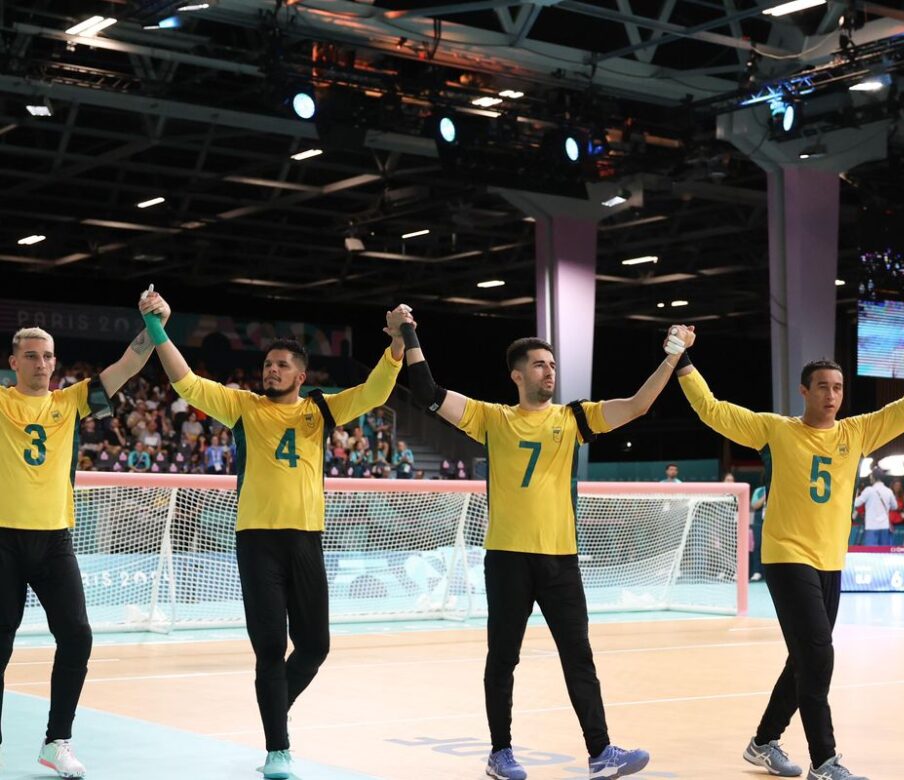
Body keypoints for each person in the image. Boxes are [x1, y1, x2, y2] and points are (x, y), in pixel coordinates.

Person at [399, 310, 683, 780]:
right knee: (503, 658)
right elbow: (427, 393)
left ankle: (601, 753)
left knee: (579, 657)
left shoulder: (574, 418)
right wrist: (409, 332)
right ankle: (500, 752)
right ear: (516, 374)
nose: (548, 370)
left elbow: (636, 405)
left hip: (560, 561)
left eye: (552, 364)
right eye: (538, 364)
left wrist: (673, 356)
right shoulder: (492, 418)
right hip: (508, 558)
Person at [140, 290, 406, 780]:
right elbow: (187, 382)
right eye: (268, 364)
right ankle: (277, 748)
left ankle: (273, 705)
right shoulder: (242, 406)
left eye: (281, 365)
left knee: (316, 646)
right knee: (268, 648)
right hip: (257, 541)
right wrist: (158, 327)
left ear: (301, 376)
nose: (271, 370)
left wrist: (397, 342)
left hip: (306, 539)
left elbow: (374, 393)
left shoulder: (321, 410)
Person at [677, 325, 904, 780]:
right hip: (787, 556)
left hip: (831, 561)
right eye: (823, 387)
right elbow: (712, 410)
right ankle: (824, 761)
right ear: (804, 391)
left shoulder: (857, 432)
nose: (832, 395)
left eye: (839, 388)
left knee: (806, 657)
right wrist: (683, 361)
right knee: (819, 656)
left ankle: (763, 742)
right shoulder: (775, 430)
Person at [2, 294, 166, 779]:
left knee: (77, 637)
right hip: (4, 540)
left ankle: (58, 741)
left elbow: (131, 361)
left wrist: (153, 323)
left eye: (48, 355)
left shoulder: (72, 401)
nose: (41, 363)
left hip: (55, 540)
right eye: (31, 355)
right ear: (13, 362)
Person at [854, 470, 896, 547]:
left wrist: (855, 494)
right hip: (884, 526)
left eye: (871, 476)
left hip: (871, 526)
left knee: (871, 553)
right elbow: (895, 506)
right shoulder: (888, 491)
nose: (870, 478)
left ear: (873, 477)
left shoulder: (869, 490)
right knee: (884, 553)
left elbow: (856, 503)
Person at [750, 484, 767, 582]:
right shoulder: (759, 490)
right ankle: (757, 572)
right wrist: (765, 496)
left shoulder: (777, 488)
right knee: (757, 546)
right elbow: (754, 505)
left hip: (771, 520)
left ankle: (766, 573)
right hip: (758, 522)